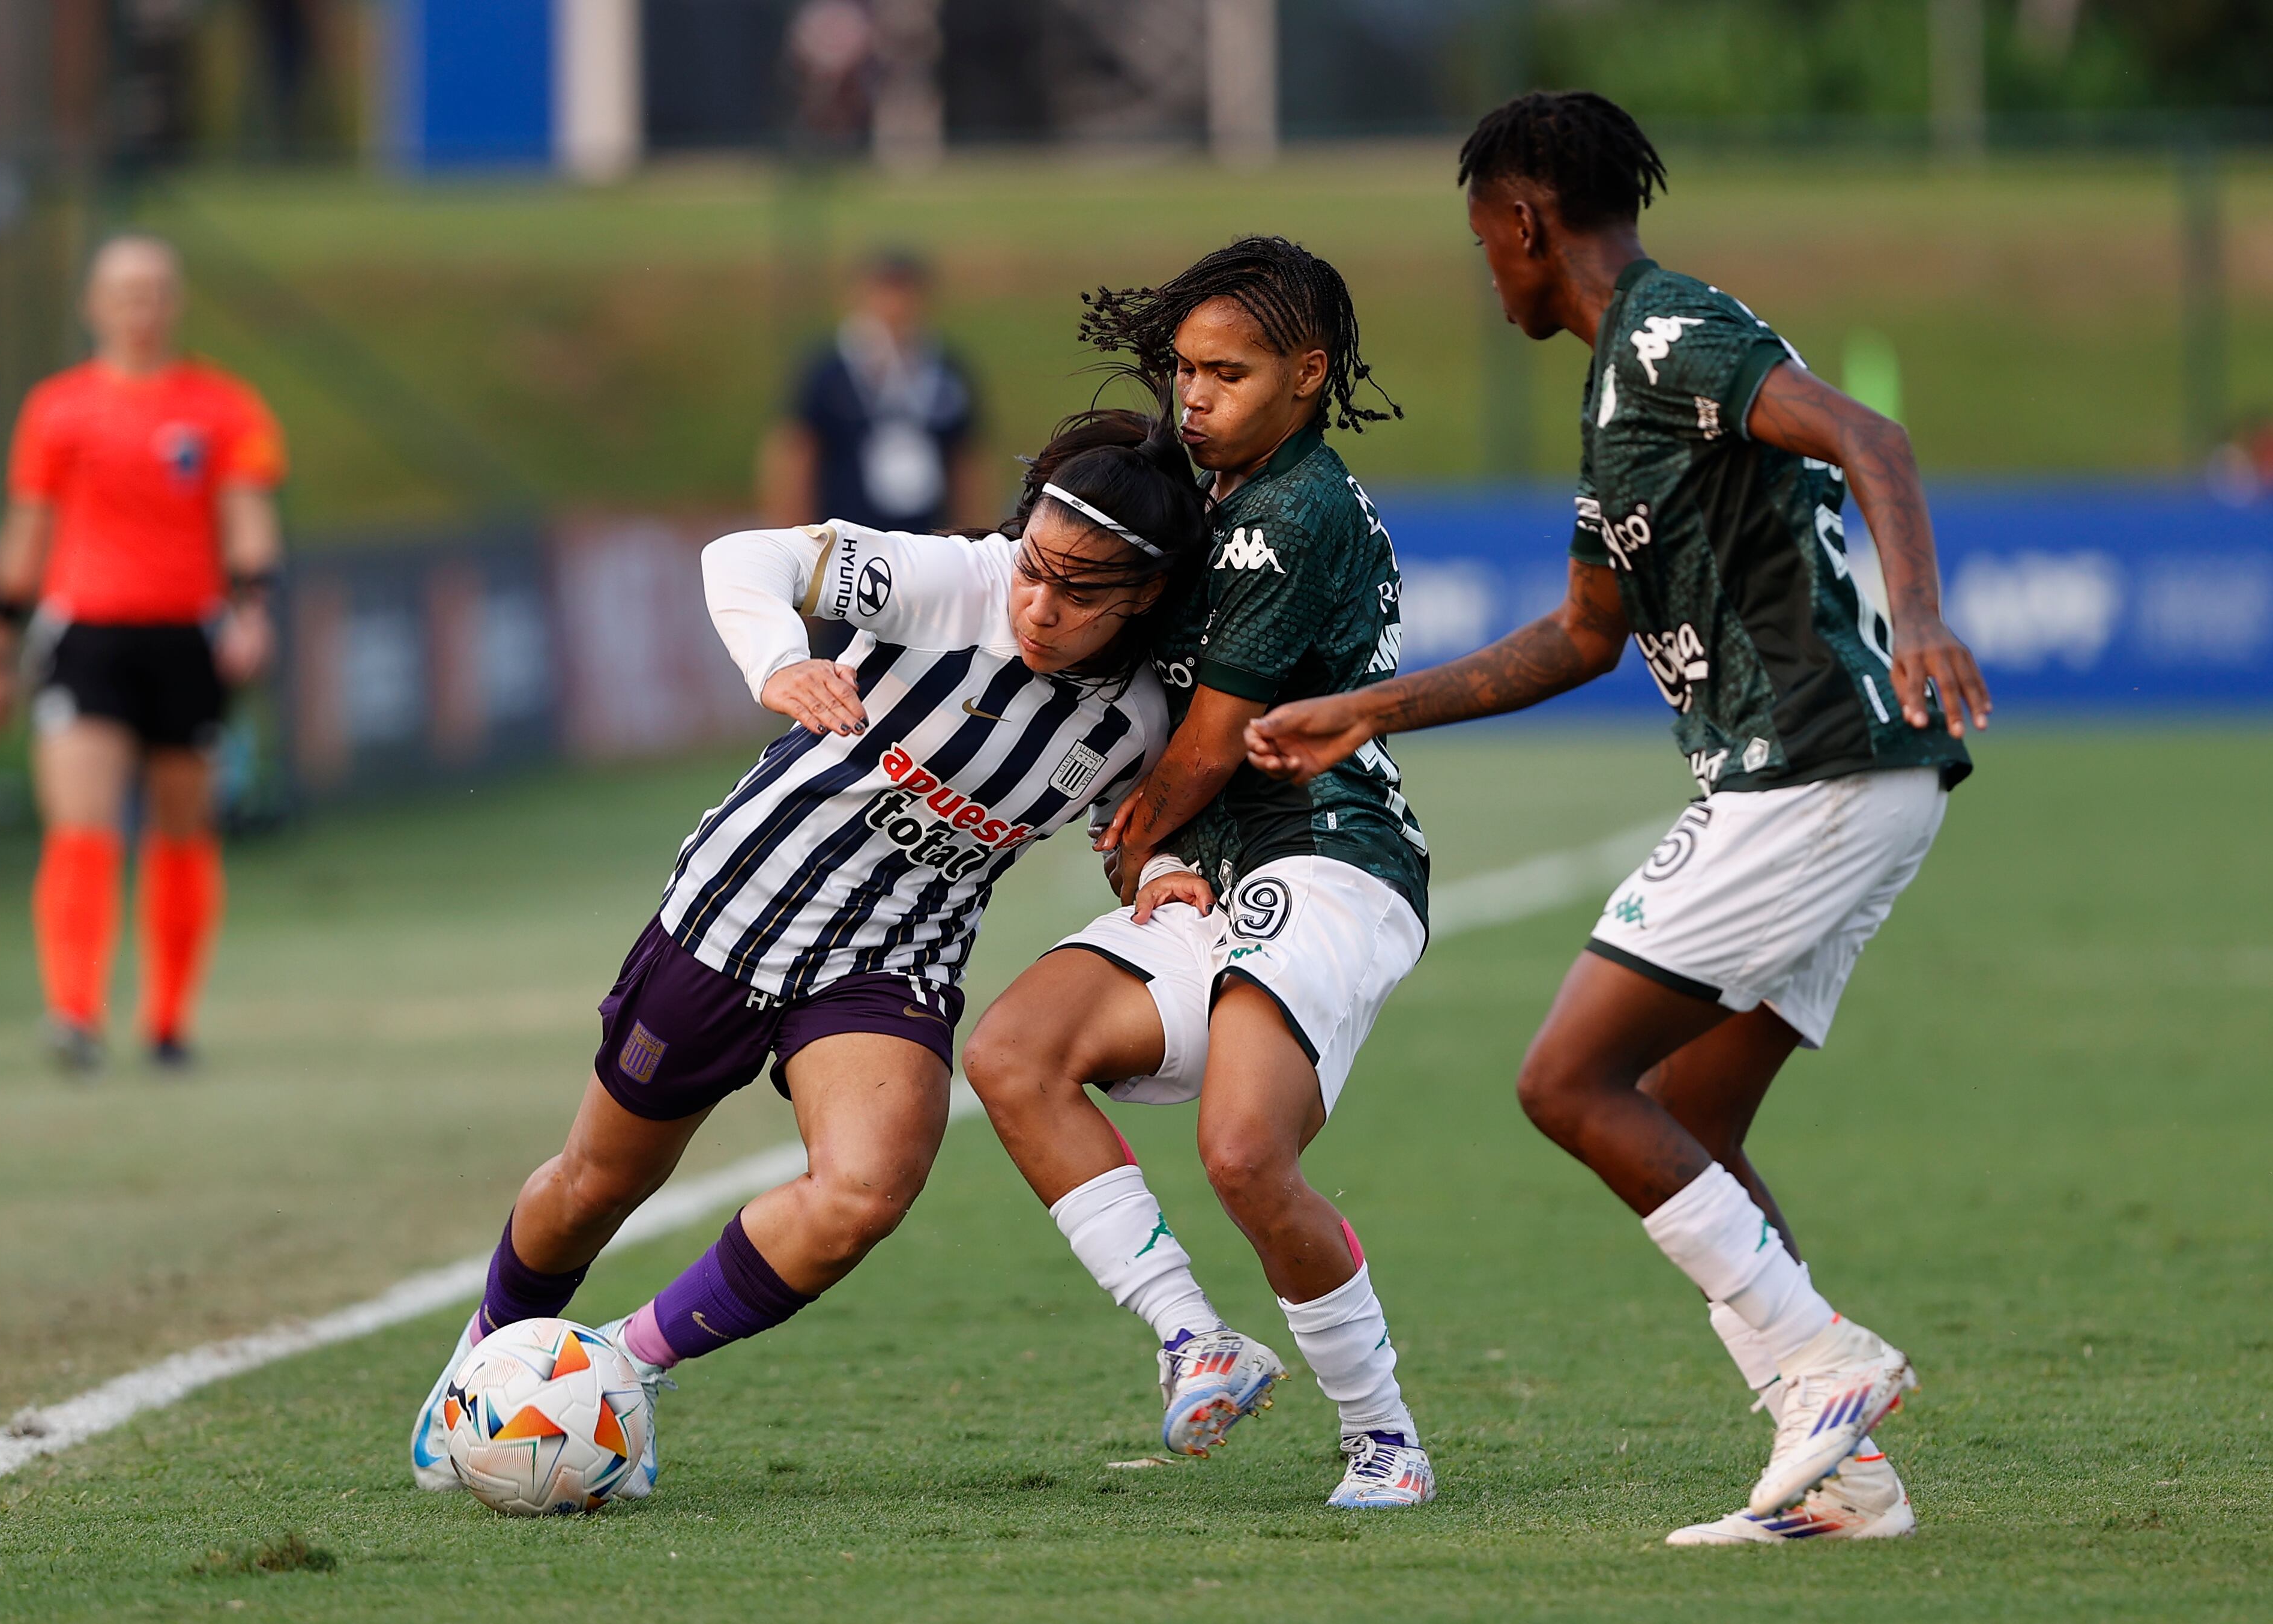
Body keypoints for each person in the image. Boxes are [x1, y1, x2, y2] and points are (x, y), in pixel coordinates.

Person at [1243, 92, 1991, 1545]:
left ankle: (1826, 1364)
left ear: (1524, 222)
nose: (1488, 272)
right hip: (1832, 777)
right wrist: (1362, 710)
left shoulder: (1664, 334)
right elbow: (1583, 635)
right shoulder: (1620, 393)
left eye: (1484, 241)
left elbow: (1870, 438)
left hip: (1811, 764)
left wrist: (1923, 626)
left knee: (1566, 1081)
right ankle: (1839, 1475)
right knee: (1689, 1113)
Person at [409, 406, 1204, 1500]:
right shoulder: (950, 582)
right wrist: (779, 661)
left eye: (1079, 593)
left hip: (891, 959)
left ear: (1145, 597)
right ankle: (475, 1366)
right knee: (597, 1184)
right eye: (1035, 571)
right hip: (734, 911)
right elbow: (744, 557)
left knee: (866, 1191)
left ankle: (620, 1374)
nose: (1040, 604)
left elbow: (1129, 834)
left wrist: (1154, 875)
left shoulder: (1142, 719)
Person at [962, 238, 1438, 1509]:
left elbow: (1212, 743)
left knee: (1241, 1150)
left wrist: (1134, 840)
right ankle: (1196, 1335)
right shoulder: (1205, 492)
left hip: (1329, 854)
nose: (1194, 394)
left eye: (1225, 372)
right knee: (1014, 1051)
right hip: (1212, 866)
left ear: (1307, 375)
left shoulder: (1297, 510)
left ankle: (1384, 1436)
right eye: (1181, 368)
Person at [0, 235, 288, 1075]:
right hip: (89, 636)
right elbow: (27, 527)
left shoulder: (224, 407)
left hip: (186, 636)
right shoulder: (58, 409)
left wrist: (254, 609)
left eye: (154, 291)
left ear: (174, 303)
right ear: (94, 306)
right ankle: (74, 1012)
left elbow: (246, 513)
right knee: (83, 824)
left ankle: (168, 1022)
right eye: (124, 291)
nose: (139, 307)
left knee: (182, 830)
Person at [761, 252, 982, 656]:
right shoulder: (828, 372)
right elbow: (794, 461)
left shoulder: (945, 370)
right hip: (843, 554)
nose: (896, 306)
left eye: (906, 293)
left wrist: (971, 546)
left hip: (924, 549)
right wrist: (795, 558)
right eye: (885, 292)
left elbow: (966, 463)